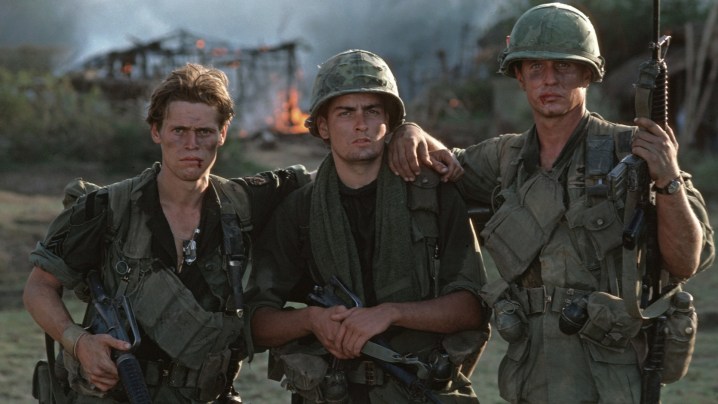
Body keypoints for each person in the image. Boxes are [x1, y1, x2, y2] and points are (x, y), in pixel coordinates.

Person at [388, 3, 715, 403]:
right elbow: (442, 164)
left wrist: (667, 177)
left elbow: (686, 262)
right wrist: (410, 131)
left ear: (587, 74)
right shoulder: (505, 158)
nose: (549, 80)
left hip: (610, 376)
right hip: (533, 374)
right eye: (535, 68)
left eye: (564, 67)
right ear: (519, 76)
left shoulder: (634, 153)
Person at [23, 63, 312, 403]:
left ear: (222, 133)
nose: (191, 144)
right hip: (117, 391)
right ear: (156, 131)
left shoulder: (244, 201)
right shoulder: (106, 208)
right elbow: (39, 287)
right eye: (179, 131)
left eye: (204, 132)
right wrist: (79, 342)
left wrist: (379, 138)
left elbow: (330, 177)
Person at [245, 49, 489, 403]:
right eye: (345, 112)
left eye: (372, 111)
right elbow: (256, 321)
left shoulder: (431, 196)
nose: (361, 124)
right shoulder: (301, 209)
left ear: (388, 121)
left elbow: (472, 307)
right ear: (323, 126)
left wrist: (391, 314)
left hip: (419, 388)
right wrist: (312, 320)